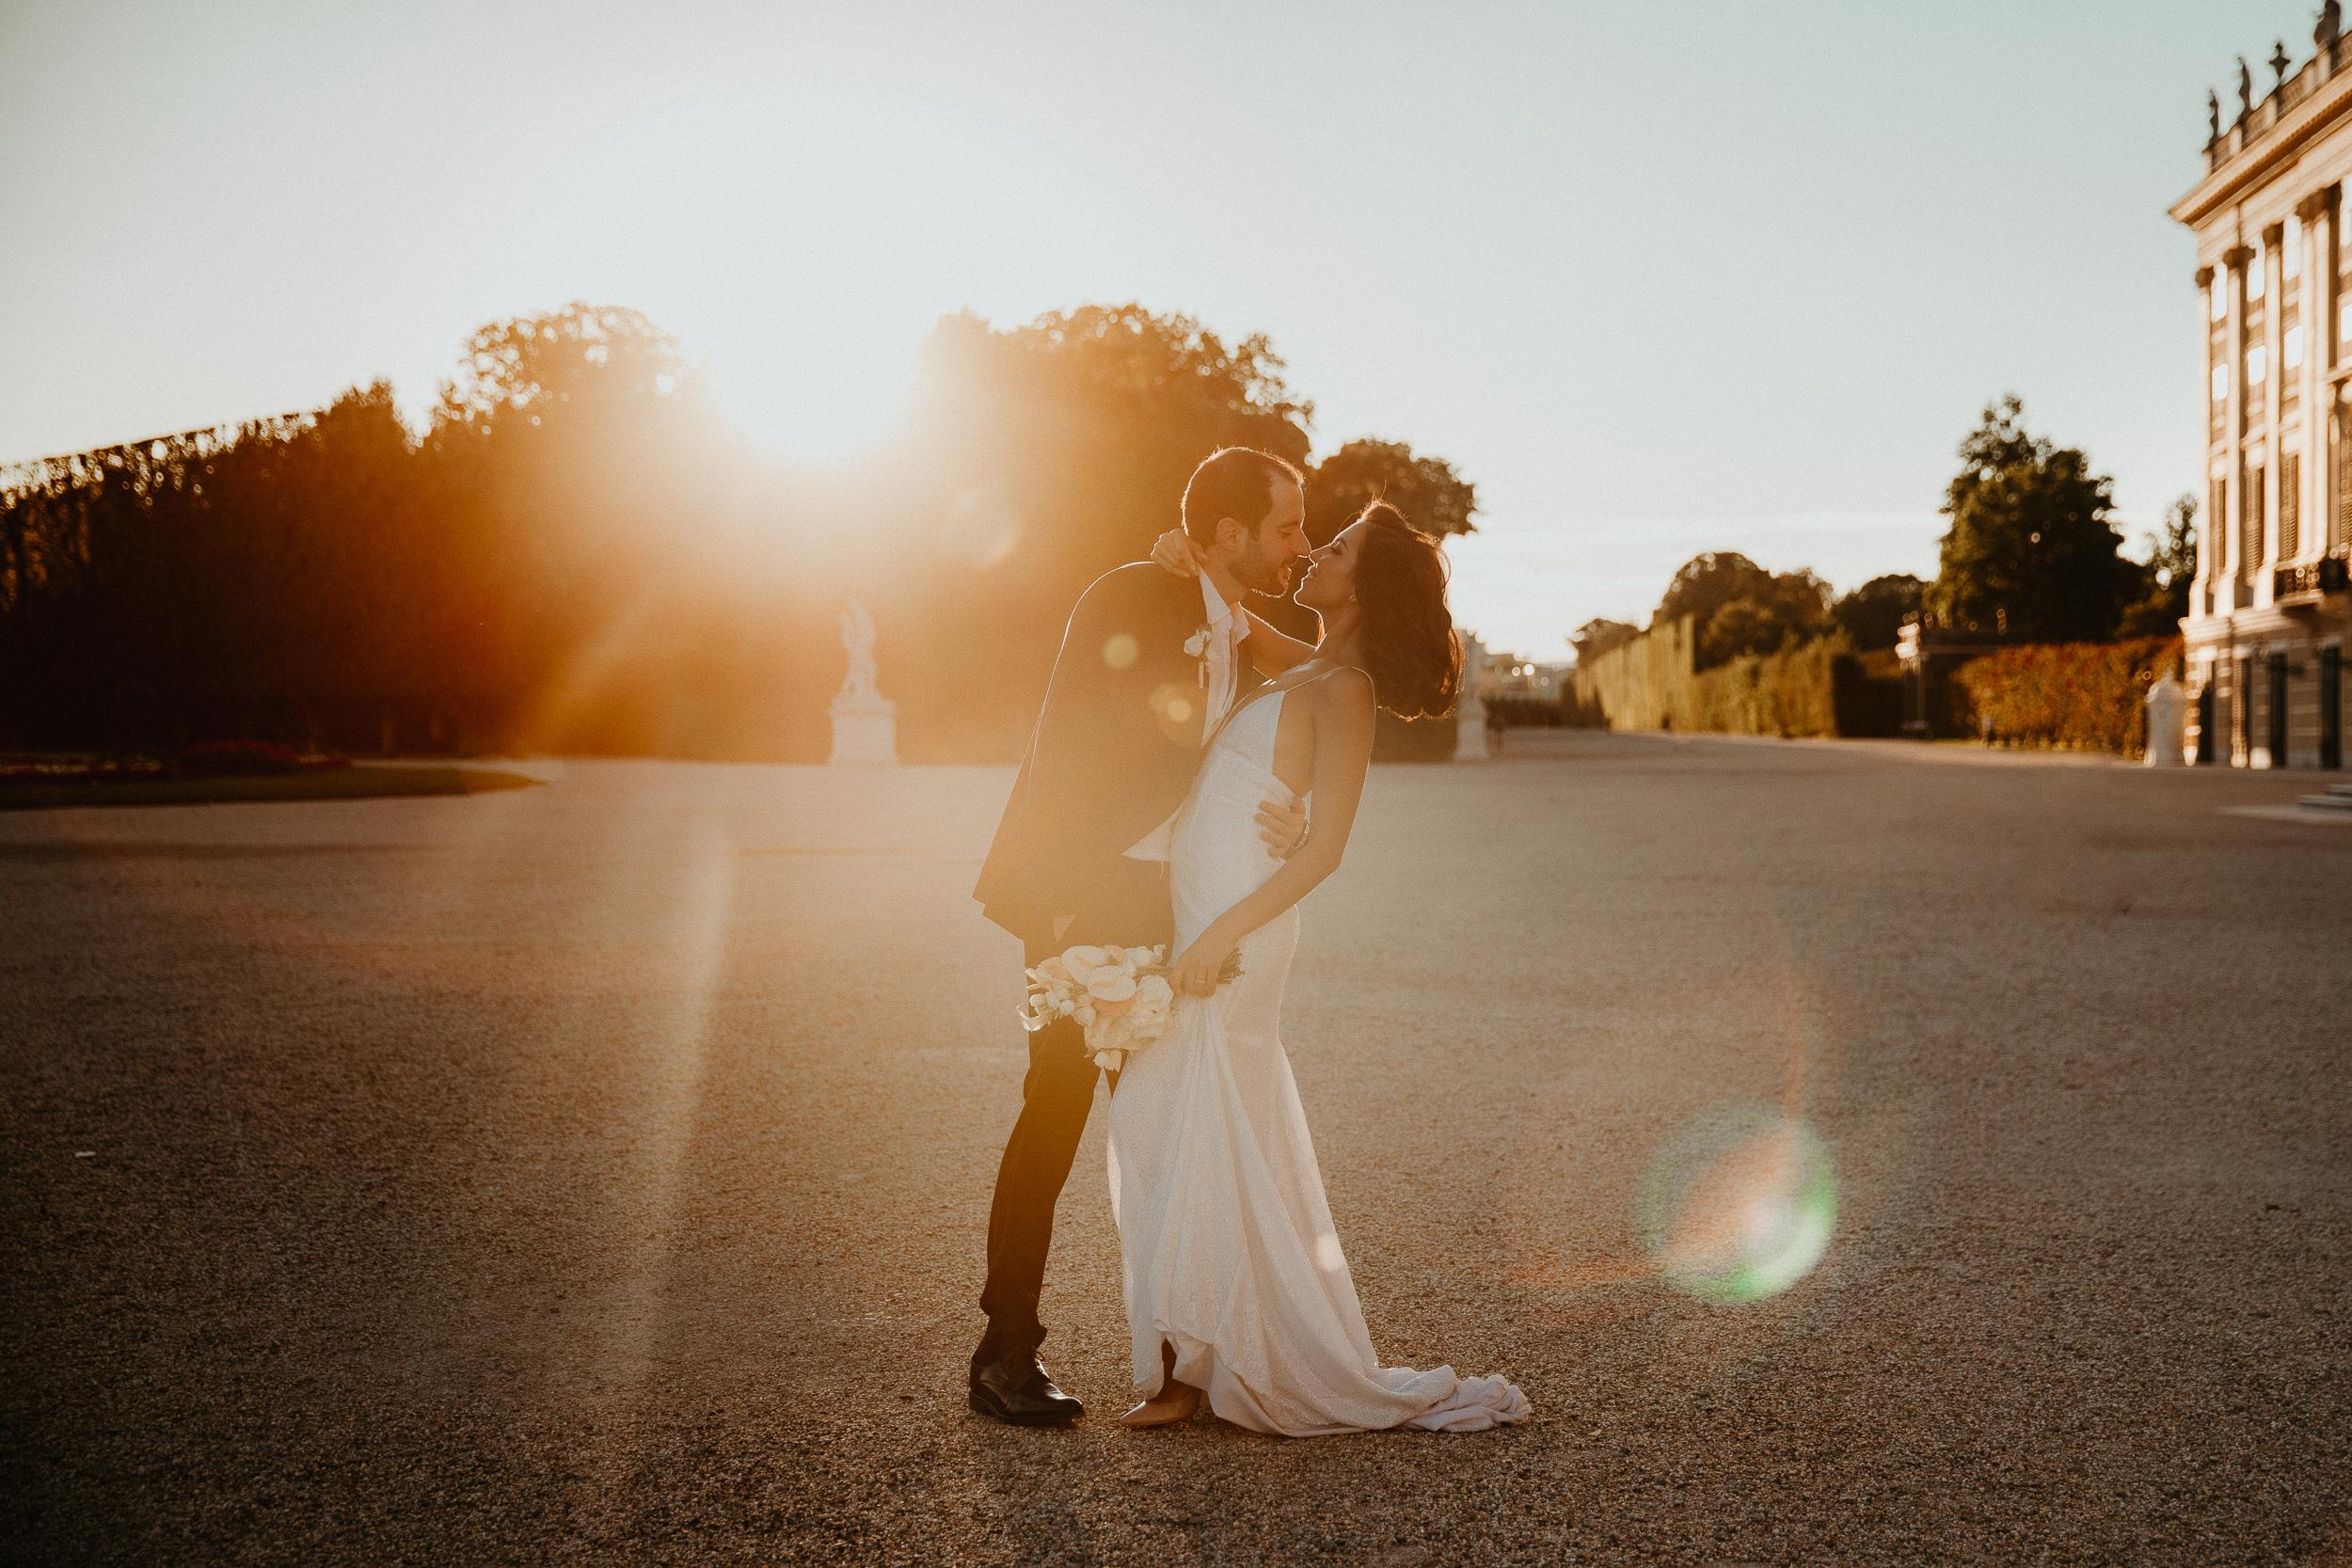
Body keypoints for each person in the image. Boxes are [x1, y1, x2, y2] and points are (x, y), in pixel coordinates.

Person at [1107, 501, 1531, 1435]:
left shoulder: (1343, 685)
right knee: (1167, 1119)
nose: (1314, 552)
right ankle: (1199, 1356)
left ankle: (1194, 1368)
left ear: (1362, 584)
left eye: (1333, 549)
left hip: (1240, 929)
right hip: (1200, 913)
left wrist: (1222, 934)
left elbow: (1327, 846)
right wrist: (1178, 547)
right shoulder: (1293, 659)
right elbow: (1215, 602)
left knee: (1193, 1120)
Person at [966, 447, 1317, 1425]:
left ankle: (1182, 1354)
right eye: (1285, 526)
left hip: (1168, 900)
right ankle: (1002, 1353)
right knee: (1054, 1113)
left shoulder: (1232, 624)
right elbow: (1065, 743)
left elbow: (1316, 697)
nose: (1297, 544)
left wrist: (1290, 813)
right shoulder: (1128, 592)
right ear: (1229, 531)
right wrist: (1062, 912)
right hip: (1085, 896)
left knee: (1166, 1118)